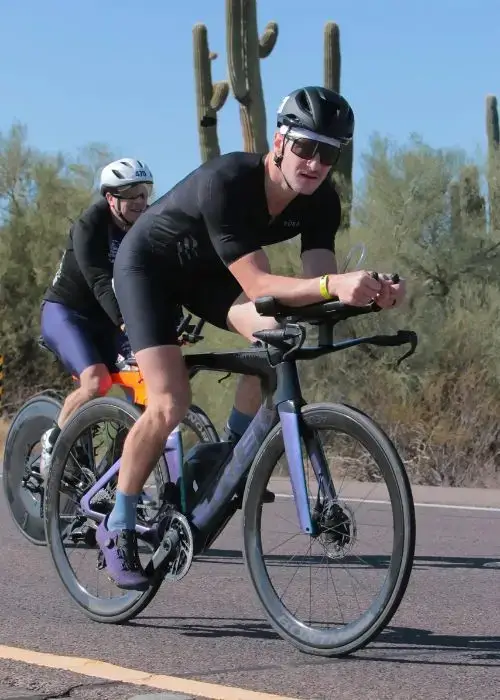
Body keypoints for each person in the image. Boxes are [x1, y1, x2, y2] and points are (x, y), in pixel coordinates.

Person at [98, 85, 407, 590]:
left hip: (209, 276)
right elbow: (262, 286)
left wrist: (369, 293)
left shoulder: (320, 202)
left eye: (328, 154)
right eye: (305, 147)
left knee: (279, 339)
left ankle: (231, 458)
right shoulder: (230, 181)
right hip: (149, 269)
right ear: (280, 142)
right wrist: (333, 285)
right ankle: (121, 522)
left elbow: (318, 288)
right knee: (170, 403)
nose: (314, 163)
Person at [38, 158, 154, 477]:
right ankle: (52, 444)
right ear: (110, 199)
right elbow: (100, 282)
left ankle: (116, 471)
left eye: (144, 193)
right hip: (66, 313)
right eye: (130, 194)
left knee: (148, 379)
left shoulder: (146, 228)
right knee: (96, 381)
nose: (140, 202)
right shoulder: (90, 224)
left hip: (106, 320)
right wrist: (127, 321)